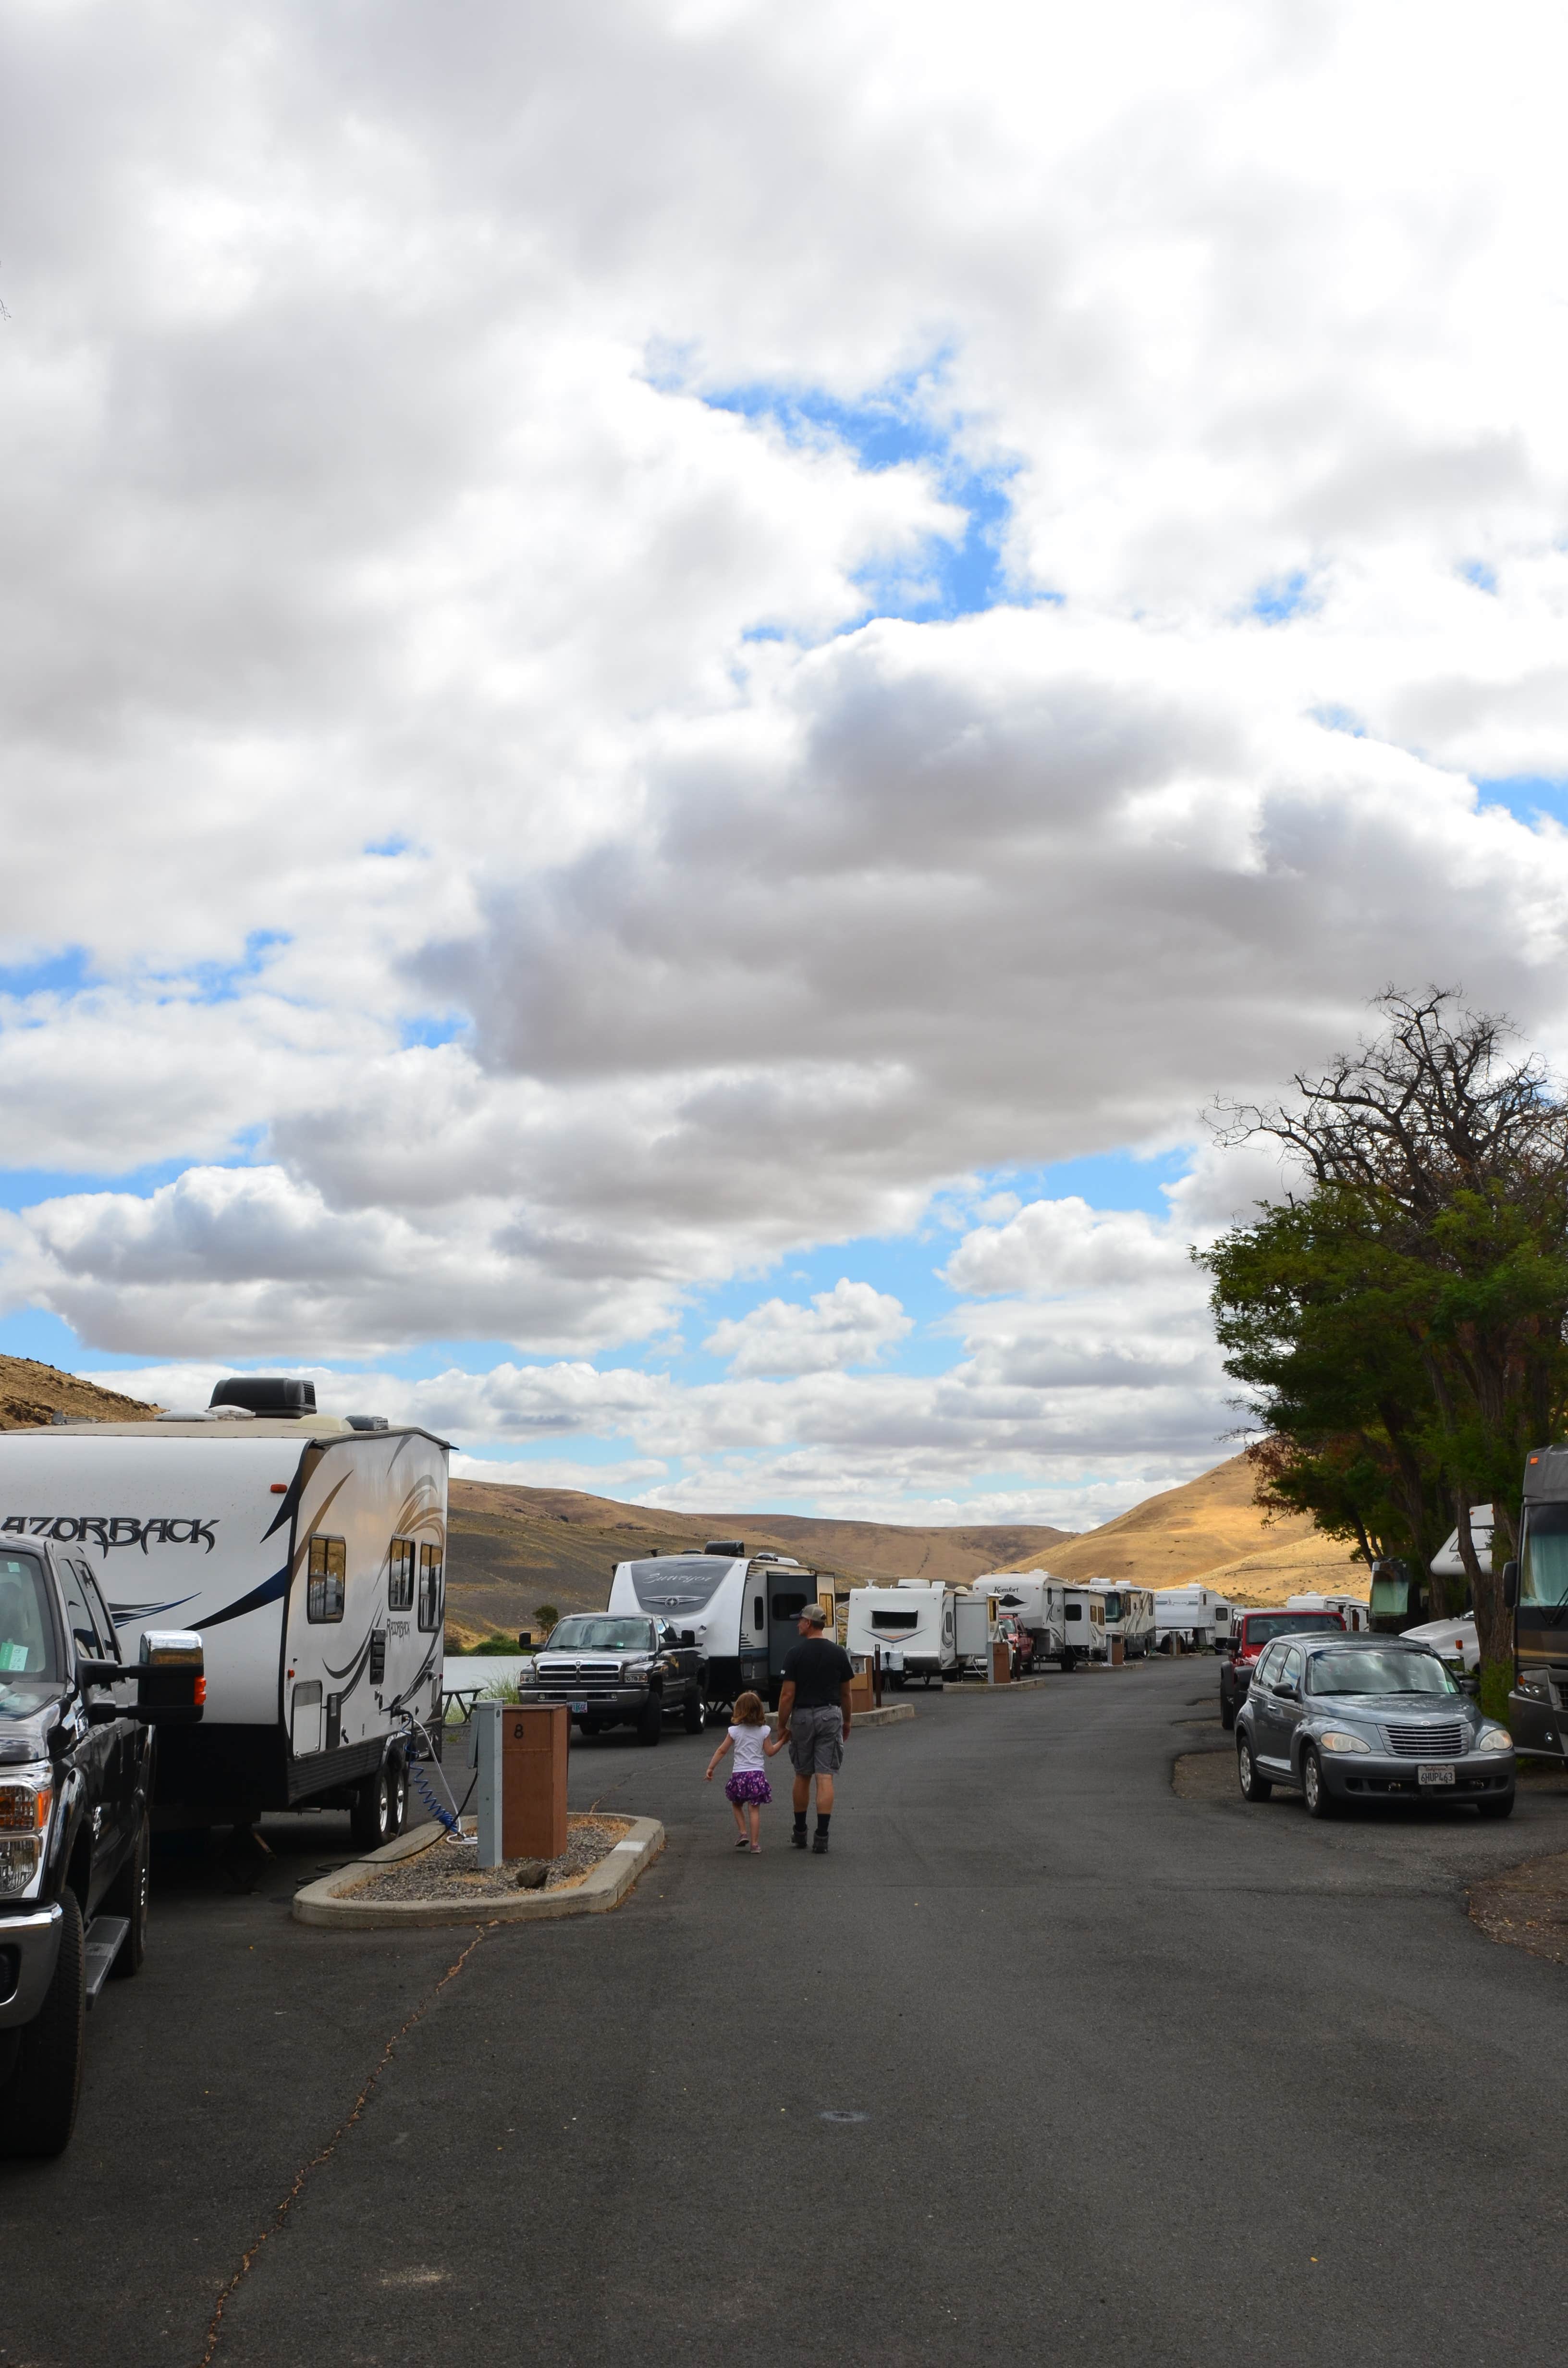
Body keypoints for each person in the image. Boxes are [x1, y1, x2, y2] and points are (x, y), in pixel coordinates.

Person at [776, 1602, 854, 1854]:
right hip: (830, 1716)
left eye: (800, 1620)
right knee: (825, 1775)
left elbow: (788, 1695)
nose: (798, 1624)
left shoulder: (795, 1654)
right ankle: (822, 1836)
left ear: (809, 1624)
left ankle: (800, 1833)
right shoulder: (838, 1653)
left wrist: (781, 1723)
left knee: (802, 1774)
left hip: (802, 1718)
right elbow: (846, 1693)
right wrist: (848, 1720)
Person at [704, 1690, 783, 1853]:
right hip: (757, 1775)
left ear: (739, 1711)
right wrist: (782, 1741)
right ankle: (755, 1844)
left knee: (737, 1804)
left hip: (740, 1775)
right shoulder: (764, 1731)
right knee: (754, 1809)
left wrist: (711, 1768)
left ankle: (743, 1833)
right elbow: (770, 1752)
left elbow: (722, 1751)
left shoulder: (735, 1732)